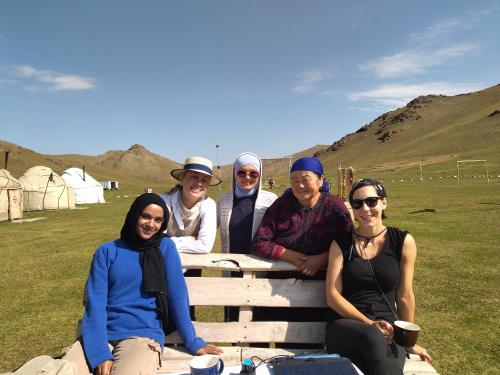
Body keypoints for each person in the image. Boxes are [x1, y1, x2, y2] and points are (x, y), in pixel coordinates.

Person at [63, 193, 221, 375]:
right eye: (145, 216)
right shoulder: (107, 252)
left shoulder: (165, 248)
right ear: (134, 215)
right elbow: (95, 304)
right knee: (63, 370)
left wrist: (192, 342)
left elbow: (177, 295)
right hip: (102, 334)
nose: (150, 224)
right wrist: (99, 352)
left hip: (142, 335)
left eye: (158, 220)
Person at [325, 178, 432, 375]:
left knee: (381, 361)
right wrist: (370, 324)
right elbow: (332, 295)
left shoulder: (403, 241)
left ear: (384, 202)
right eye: (357, 204)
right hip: (346, 327)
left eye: (371, 201)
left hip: (389, 330)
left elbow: (405, 295)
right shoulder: (341, 243)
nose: (365, 209)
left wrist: (407, 341)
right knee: (373, 338)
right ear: (353, 210)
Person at [250, 157, 353, 322]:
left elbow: (349, 242)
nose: (300, 185)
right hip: (279, 286)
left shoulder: (334, 207)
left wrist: (322, 258)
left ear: (321, 181)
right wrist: (291, 257)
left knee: (313, 338)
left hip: (322, 288)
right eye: (294, 180)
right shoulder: (281, 205)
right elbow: (260, 242)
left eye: (306, 179)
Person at [217, 152, 277, 321]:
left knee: (259, 323)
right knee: (232, 322)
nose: (247, 177)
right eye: (241, 172)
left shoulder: (271, 199)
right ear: (234, 173)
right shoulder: (224, 199)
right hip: (231, 271)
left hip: (261, 272)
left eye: (253, 173)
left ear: (260, 174)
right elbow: (205, 226)